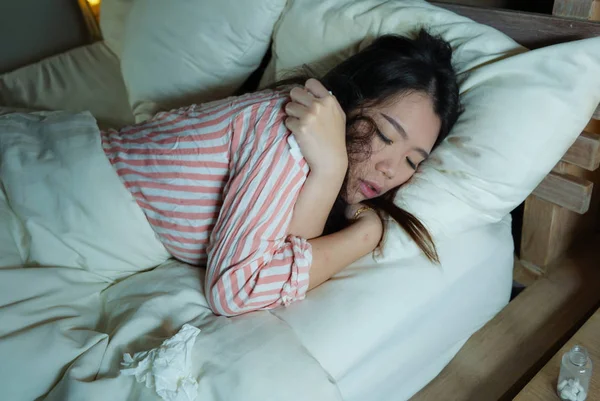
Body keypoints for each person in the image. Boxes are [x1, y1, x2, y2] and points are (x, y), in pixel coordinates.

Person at [100, 29, 461, 316]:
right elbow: (237, 291)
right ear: (349, 100)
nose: (390, 170)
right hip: (79, 189)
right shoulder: (290, 131)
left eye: (413, 161)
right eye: (385, 135)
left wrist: (330, 175)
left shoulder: (325, 164)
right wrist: (366, 232)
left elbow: (292, 243)